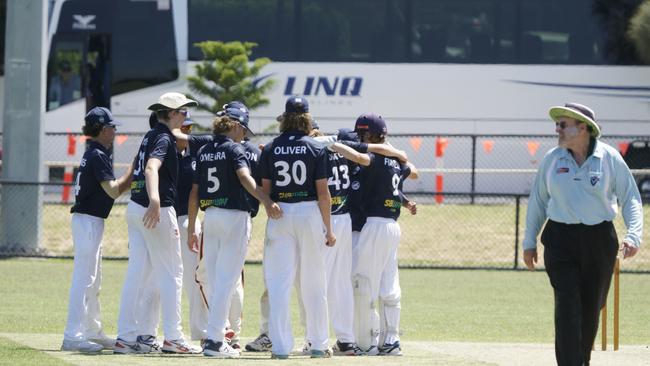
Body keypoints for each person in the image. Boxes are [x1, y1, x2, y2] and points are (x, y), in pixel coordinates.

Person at [522, 103, 643, 366]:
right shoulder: (552, 159)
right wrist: (529, 242)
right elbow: (538, 202)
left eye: (563, 124)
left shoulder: (609, 158)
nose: (557, 129)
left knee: (591, 309)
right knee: (567, 305)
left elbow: (631, 198)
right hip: (559, 238)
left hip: (599, 240)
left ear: (584, 128)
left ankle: (580, 361)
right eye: (557, 124)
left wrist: (634, 235)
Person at [187, 107, 281, 358]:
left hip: (212, 217)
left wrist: (192, 227)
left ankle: (214, 337)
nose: (244, 136)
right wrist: (267, 200)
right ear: (236, 126)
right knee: (227, 282)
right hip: (235, 218)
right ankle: (216, 340)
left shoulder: (205, 150)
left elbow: (195, 192)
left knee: (217, 281)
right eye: (243, 130)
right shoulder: (234, 148)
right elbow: (244, 178)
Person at [114, 92, 201, 354]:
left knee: (137, 276)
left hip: (134, 208)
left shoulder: (150, 135)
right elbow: (152, 168)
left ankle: (127, 338)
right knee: (173, 274)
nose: (186, 115)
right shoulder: (163, 137)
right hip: (157, 210)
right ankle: (174, 338)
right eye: (183, 111)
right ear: (172, 113)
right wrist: (155, 200)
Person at [259, 96, 335, 359]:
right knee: (314, 281)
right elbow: (323, 194)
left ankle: (280, 348)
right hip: (308, 213)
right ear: (306, 118)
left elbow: (264, 191)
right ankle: (318, 344)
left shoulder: (270, 148)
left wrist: (269, 206)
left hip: (280, 213)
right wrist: (329, 228)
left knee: (279, 283)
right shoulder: (316, 148)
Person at [61, 107, 133, 353]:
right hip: (87, 220)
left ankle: (92, 330)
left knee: (93, 280)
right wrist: (133, 173)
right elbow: (113, 190)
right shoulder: (98, 155)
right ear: (103, 129)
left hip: (90, 220)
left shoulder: (94, 152)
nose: (114, 132)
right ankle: (73, 334)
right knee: (84, 280)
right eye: (112, 127)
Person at [351, 113, 418, 356]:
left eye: (362, 133)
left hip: (374, 225)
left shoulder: (371, 157)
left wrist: (332, 144)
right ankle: (391, 341)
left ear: (370, 134)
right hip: (392, 225)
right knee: (389, 284)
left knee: (363, 282)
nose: (359, 137)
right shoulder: (395, 161)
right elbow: (410, 171)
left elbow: (356, 154)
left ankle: (366, 343)